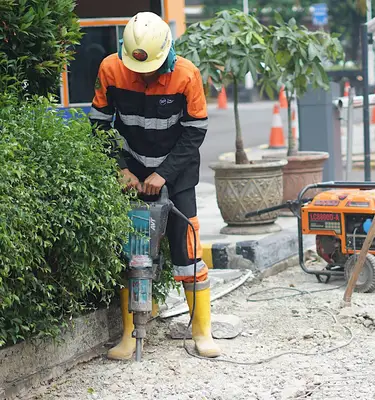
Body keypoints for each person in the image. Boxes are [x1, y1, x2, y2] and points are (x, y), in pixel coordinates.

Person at [89, 12, 220, 360]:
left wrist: (164, 173)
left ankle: (201, 331)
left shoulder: (187, 75)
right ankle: (132, 334)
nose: (143, 73)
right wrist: (120, 168)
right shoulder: (111, 70)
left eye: (150, 67)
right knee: (135, 252)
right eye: (137, 66)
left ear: (167, 51)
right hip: (132, 170)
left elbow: (195, 131)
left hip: (176, 177)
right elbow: (99, 125)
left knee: (187, 250)